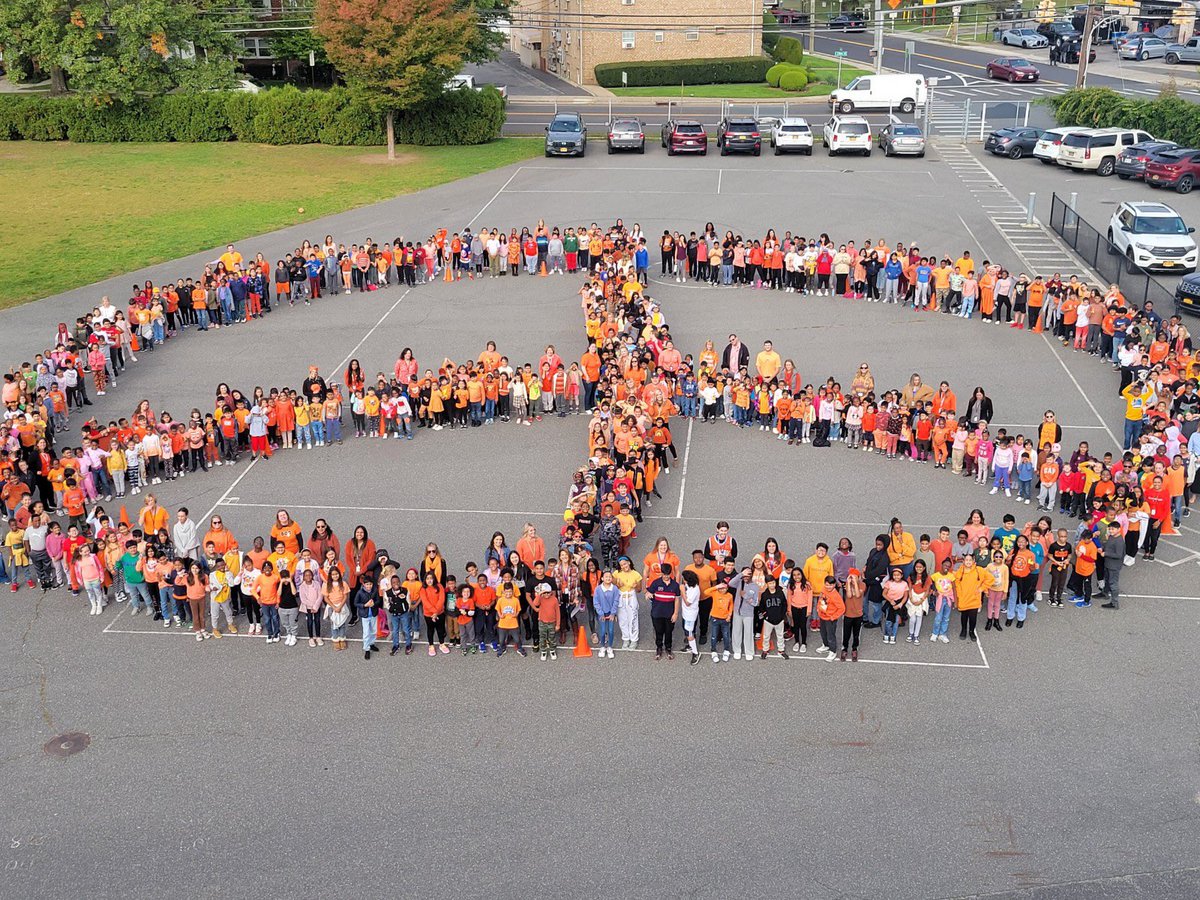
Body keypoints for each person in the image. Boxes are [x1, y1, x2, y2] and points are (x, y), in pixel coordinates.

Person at [646, 562, 682, 661]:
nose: (666, 576)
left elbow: (677, 599)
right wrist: (648, 594)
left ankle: (668, 648)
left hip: (669, 614)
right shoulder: (656, 583)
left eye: (668, 574)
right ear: (661, 573)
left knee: (669, 631)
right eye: (664, 574)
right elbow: (649, 592)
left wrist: (675, 613)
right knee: (658, 631)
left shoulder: (675, 585)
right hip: (657, 613)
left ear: (671, 574)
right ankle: (659, 647)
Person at [816, 575, 844, 662]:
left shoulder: (836, 596)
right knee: (823, 632)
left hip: (830, 618)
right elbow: (821, 599)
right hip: (822, 616)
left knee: (831, 635)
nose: (828, 587)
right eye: (827, 584)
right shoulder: (823, 590)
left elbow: (842, 608)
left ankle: (833, 651)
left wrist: (833, 617)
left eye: (831, 585)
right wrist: (818, 608)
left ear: (834, 585)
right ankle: (826, 645)